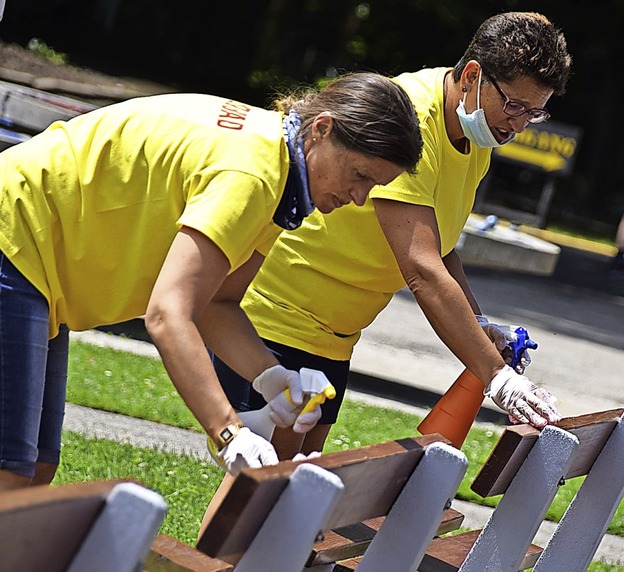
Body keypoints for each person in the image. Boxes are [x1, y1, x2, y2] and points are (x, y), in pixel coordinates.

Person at [0, 72, 424, 491]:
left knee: (35, 467)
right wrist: (228, 432)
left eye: (374, 186)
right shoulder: (254, 175)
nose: (360, 198)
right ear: (322, 129)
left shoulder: (281, 172)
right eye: (361, 176)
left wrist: (272, 379)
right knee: (12, 470)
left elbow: (218, 303)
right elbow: (169, 314)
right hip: (15, 235)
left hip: (34, 257)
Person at [211, 11, 572, 465]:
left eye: (534, 112)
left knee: (293, 492)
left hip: (335, 334)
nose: (518, 124)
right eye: (515, 106)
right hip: (281, 315)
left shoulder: (476, 131)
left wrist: (478, 325)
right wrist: (498, 378)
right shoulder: (411, 120)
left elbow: (440, 246)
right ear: (474, 75)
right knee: (264, 488)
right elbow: (421, 268)